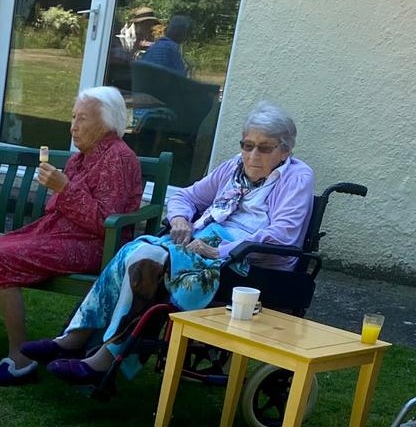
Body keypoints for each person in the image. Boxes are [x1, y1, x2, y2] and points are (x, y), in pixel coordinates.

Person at [25, 102, 315, 385]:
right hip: (200, 246)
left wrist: (220, 250)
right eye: (247, 145)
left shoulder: (297, 177)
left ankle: (102, 357)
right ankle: (76, 338)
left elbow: (282, 235)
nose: (252, 155)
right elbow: (185, 196)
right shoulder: (233, 167)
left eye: (264, 148)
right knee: (135, 250)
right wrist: (179, 219)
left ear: (285, 150)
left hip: (246, 264)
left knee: (149, 259)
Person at [0, 86, 141, 385]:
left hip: (93, 245)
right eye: (73, 117)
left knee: (2, 259)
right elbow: (57, 205)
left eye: (82, 119)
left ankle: (20, 360)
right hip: (56, 234)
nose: (73, 127)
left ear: (107, 122)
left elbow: (105, 222)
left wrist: (65, 188)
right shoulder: (80, 158)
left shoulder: (119, 157)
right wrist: (61, 189)